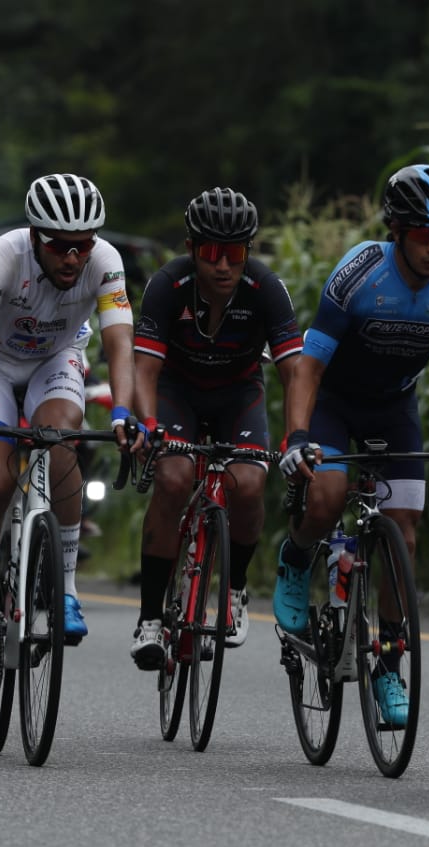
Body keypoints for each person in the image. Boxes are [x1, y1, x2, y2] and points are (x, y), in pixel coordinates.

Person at [274, 165, 429, 725]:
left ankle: (387, 668)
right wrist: (300, 436)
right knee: (328, 495)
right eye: (422, 234)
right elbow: (308, 369)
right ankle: (297, 554)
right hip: (334, 403)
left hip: (394, 408)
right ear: (395, 230)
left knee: (404, 527)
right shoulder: (360, 272)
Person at [0, 173, 141, 689]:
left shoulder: (106, 262)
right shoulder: (3, 257)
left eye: (82, 246)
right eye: (59, 247)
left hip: (57, 359)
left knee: (61, 440)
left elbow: (120, 342)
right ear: (35, 238)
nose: (72, 258)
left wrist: (122, 410)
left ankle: (67, 589)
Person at [129, 187, 303, 669]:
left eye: (235, 254)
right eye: (211, 253)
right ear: (191, 250)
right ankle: (149, 618)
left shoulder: (266, 289)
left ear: (249, 252)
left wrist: (295, 436)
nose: (223, 266)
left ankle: (237, 588)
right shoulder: (167, 285)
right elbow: (143, 369)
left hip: (237, 393)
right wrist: (148, 425)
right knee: (173, 478)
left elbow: (294, 372)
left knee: (248, 483)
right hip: (177, 391)